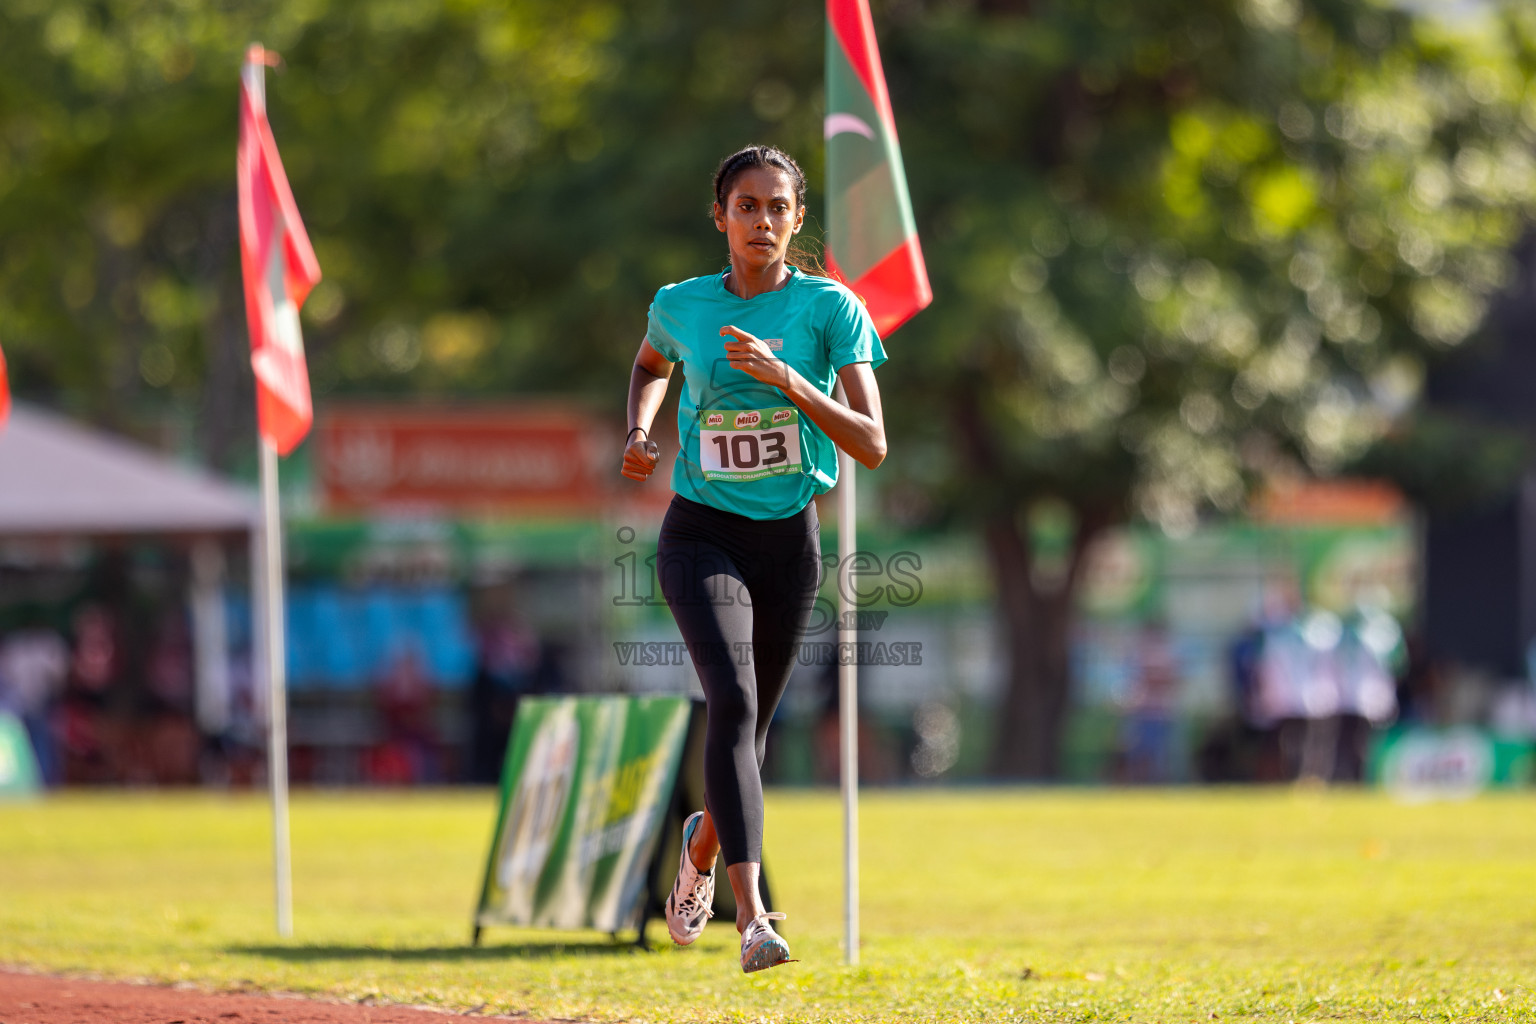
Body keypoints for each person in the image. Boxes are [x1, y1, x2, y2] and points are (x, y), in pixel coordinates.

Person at [620, 145, 887, 973]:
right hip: (700, 533)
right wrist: (639, 430)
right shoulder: (682, 304)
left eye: (778, 207)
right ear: (721, 217)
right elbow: (649, 364)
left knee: (755, 729)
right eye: (746, 206)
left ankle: (700, 845)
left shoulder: (829, 310)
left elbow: (872, 443)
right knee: (731, 705)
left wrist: (790, 383)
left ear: (797, 219)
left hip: (789, 542)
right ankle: (753, 919)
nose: (762, 221)